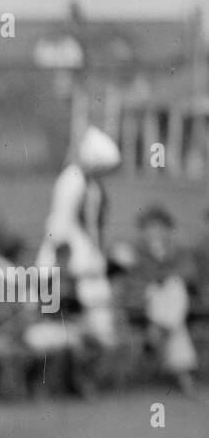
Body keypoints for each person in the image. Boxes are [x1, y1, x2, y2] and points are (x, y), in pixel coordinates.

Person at [32, 126, 122, 395]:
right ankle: (72, 382)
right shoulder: (72, 180)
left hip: (86, 261)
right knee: (71, 325)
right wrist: (63, 268)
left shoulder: (89, 183)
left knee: (97, 325)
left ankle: (85, 380)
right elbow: (60, 226)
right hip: (70, 265)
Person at [123, 203, 198, 395]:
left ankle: (160, 331)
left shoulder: (177, 250)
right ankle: (185, 379)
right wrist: (158, 277)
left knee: (174, 285)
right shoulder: (135, 250)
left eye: (159, 226)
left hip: (170, 303)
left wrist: (164, 275)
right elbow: (134, 278)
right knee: (168, 295)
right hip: (148, 301)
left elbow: (189, 272)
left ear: (167, 228)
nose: (155, 232)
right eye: (150, 227)